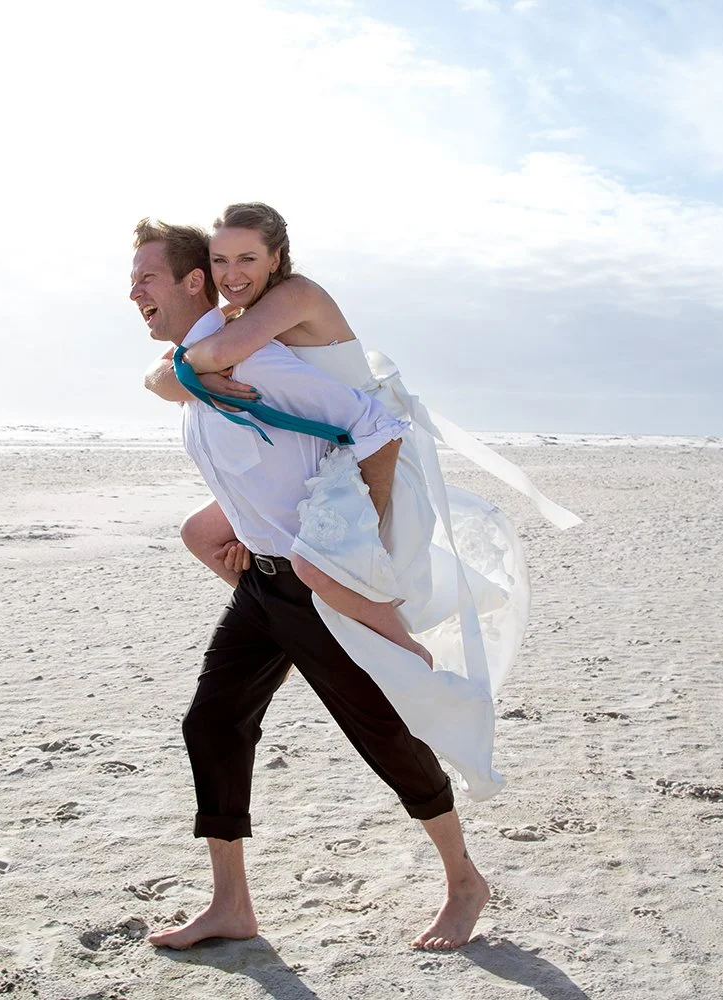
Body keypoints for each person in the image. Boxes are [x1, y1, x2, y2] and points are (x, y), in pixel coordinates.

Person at [129, 217, 490, 951]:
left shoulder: (255, 358)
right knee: (214, 723)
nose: (133, 292)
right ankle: (231, 904)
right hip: (262, 586)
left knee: (383, 736)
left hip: (311, 586)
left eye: (146, 279)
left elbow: (373, 422)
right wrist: (232, 533)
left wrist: (366, 528)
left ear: (192, 281)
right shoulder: (197, 366)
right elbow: (250, 461)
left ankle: (464, 882)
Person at [144, 203, 581, 803]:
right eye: (220, 260)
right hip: (328, 460)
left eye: (247, 258)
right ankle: (299, 616)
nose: (231, 272)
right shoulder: (242, 311)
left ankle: (411, 665)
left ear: (277, 257)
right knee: (202, 533)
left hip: (371, 461)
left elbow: (203, 359)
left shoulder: (294, 296)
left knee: (318, 571)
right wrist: (179, 373)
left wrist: (188, 372)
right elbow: (171, 367)